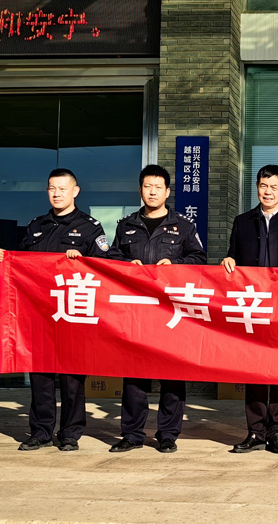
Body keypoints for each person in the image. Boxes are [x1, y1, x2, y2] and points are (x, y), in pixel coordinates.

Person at [0, 168, 110, 452]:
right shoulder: (36, 225)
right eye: (51, 188)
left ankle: (70, 433)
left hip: (73, 313)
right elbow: (22, 265)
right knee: (41, 376)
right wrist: (5, 259)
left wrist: (82, 261)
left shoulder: (90, 228)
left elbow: (105, 269)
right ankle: (41, 431)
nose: (56, 194)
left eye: (62, 188)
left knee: (72, 379)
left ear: (75, 191)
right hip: (39, 314)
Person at [106, 164, 206, 453]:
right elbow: (112, 258)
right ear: (140, 190)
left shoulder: (184, 226)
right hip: (136, 312)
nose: (152, 192)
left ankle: (168, 434)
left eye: (158, 187)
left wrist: (175, 265)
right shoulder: (126, 225)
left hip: (170, 312)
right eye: (147, 186)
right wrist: (128, 264)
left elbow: (199, 258)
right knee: (134, 375)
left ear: (167, 192)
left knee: (172, 374)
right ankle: (132, 434)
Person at [221, 164, 278, 455]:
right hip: (251, 306)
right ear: (257, 187)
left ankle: (277, 432)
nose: (268, 192)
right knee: (254, 370)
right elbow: (233, 257)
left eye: (274, 187)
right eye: (263, 186)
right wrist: (228, 261)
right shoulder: (242, 222)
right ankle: (254, 431)